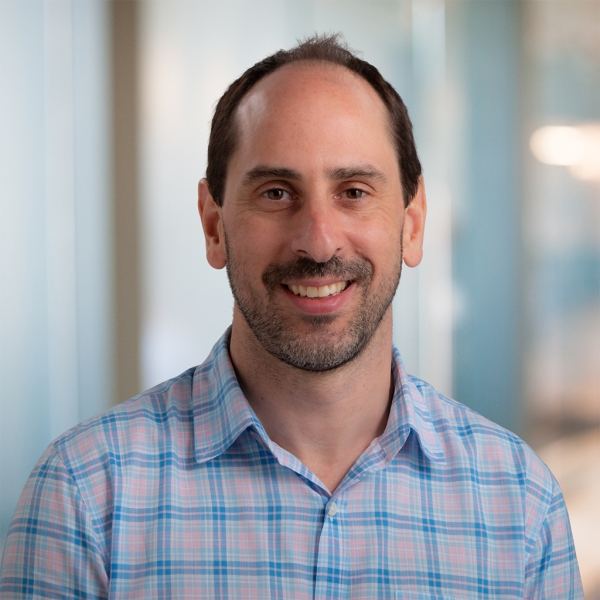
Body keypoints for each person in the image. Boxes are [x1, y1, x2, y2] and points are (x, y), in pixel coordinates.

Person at [0, 35, 583, 599]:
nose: (319, 242)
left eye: (353, 191)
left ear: (412, 222)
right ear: (213, 225)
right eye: (277, 193)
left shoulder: (520, 502)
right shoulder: (84, 496)